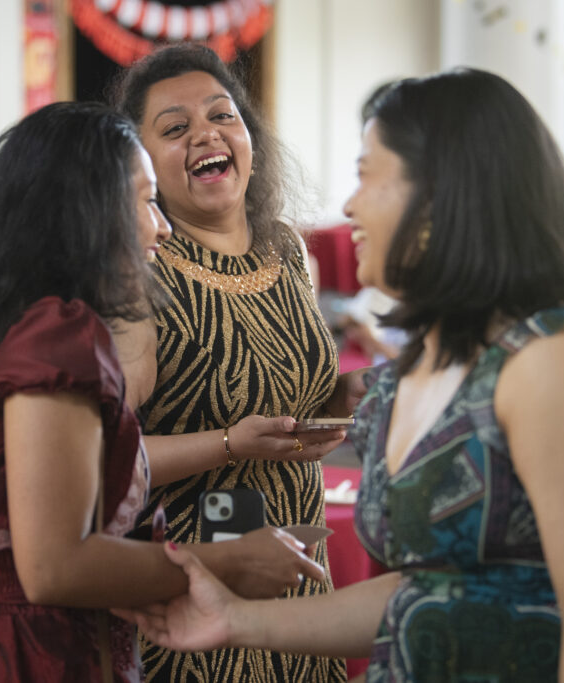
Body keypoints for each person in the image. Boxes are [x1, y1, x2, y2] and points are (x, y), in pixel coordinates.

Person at [113, 68, 564, 682]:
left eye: (367, 174)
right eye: (176, 127)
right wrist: (236, 620)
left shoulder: (557, 361)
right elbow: (418, 596)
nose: (347, 205)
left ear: (440, 197)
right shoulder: (430, 364)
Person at [0, 101, 324, 683]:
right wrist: (230, 562)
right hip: (33, 655)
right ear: (88, 213)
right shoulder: (56, 334)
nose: (163, 226)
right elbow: (56, 567)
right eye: (147, 201)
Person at [112, 43, 353, 681]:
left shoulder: (289, 250)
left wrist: (338, 399)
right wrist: (227, 445)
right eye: (174, 128)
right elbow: (105, 457)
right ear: (140, 164)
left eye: (223, 116)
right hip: (196, 589)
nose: (205, 135)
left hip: (300, 578)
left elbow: (291, 395)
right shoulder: (138, 274)